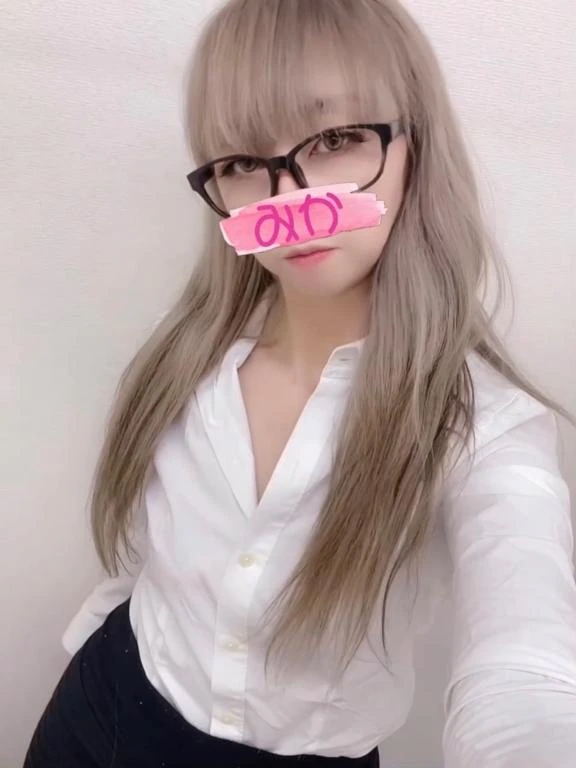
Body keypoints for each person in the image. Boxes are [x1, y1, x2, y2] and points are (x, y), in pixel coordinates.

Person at [24, 0, 576, 766]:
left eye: (336, 139)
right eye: (242, 163)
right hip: (98, 708)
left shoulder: (483, 428)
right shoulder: (187, 360)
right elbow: (142, 560)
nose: (291, 198)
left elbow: (524, 669)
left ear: (414, 146)